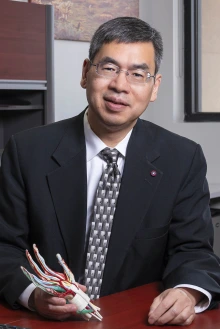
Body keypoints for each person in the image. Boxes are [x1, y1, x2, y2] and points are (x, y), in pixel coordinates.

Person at [0, 16, 220, 326]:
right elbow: (4, 245)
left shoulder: (182, 158)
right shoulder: (26, 151)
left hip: (135, 319)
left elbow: (194, 249)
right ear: (85, 72)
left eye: (138, 74)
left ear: (154, 87)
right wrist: (34, 295)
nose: (120, 85)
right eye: (109, 68)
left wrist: (186, 292)